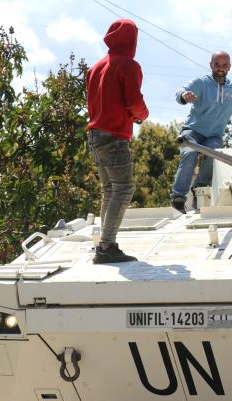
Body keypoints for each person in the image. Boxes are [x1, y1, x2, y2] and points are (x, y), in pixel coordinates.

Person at [86, 19, 149, 264]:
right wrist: (141, 116)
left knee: (109, 189)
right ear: (131, 40)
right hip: (114, 136)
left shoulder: (95, 67)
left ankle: (104, 243)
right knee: (124, 189)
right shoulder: (128, 66)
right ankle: (106, 246)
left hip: (95, 134)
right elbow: (134, 102)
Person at [171, 51, 232, 213]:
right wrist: (184, 95)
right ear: (211, 65)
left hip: (213, 135)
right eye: (217, 64)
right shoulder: (201, 82)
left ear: (229, 68)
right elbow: (181, 91)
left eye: (224, 65)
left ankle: (200, 186)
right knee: (190, 152)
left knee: (215, 152)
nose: (220, 68)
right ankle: (178, 196)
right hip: (193, 131)